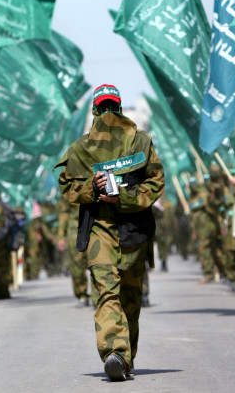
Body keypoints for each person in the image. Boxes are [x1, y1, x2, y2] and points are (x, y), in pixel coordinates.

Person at [56, 84, 164, 382]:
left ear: (118, 108)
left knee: (130, 299)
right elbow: (67, 187)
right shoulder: (80, 149)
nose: (107, 113)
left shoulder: (140, 143)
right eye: (102, 107)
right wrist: (93, 187)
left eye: (111, 107)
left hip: (134, 230)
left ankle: (126, 358)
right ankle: (114, 352)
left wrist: (124, 198)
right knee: (107, 292)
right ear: (95, 110)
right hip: (99, 230)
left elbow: (155, 182)